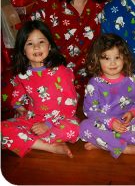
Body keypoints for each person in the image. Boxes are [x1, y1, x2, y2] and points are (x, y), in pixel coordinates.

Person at [30, 0, 106, 95]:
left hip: (93, 86)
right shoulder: (46, 6)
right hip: (52, 83)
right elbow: (29, 47)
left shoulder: (104, 9)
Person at [1, 20, 80, 158]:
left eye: (41, 42)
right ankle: (49, 147)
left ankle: (26, 141)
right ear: (23, 50)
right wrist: (19, 107)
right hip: (33, 119)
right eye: (30, 43)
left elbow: (70, 106)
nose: (36, 47)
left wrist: (48, 124)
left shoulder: (61, 72)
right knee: (2, 130)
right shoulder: (23, 75)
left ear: (49, 46)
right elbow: (18, 94)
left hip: (59, 120)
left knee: (74, 130)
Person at [79, 33, 135, 158]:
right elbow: (90, 111)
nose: (112, 63)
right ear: (97, 60)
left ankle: (105, 143)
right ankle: (124, 148)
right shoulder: (94, 84)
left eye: (117, 57)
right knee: (84, 126)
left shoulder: (133, 80)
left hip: (126, 125)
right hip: (103, 125)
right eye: (106, 58)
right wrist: (110, 122)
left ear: (124, 58)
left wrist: (133, 113)